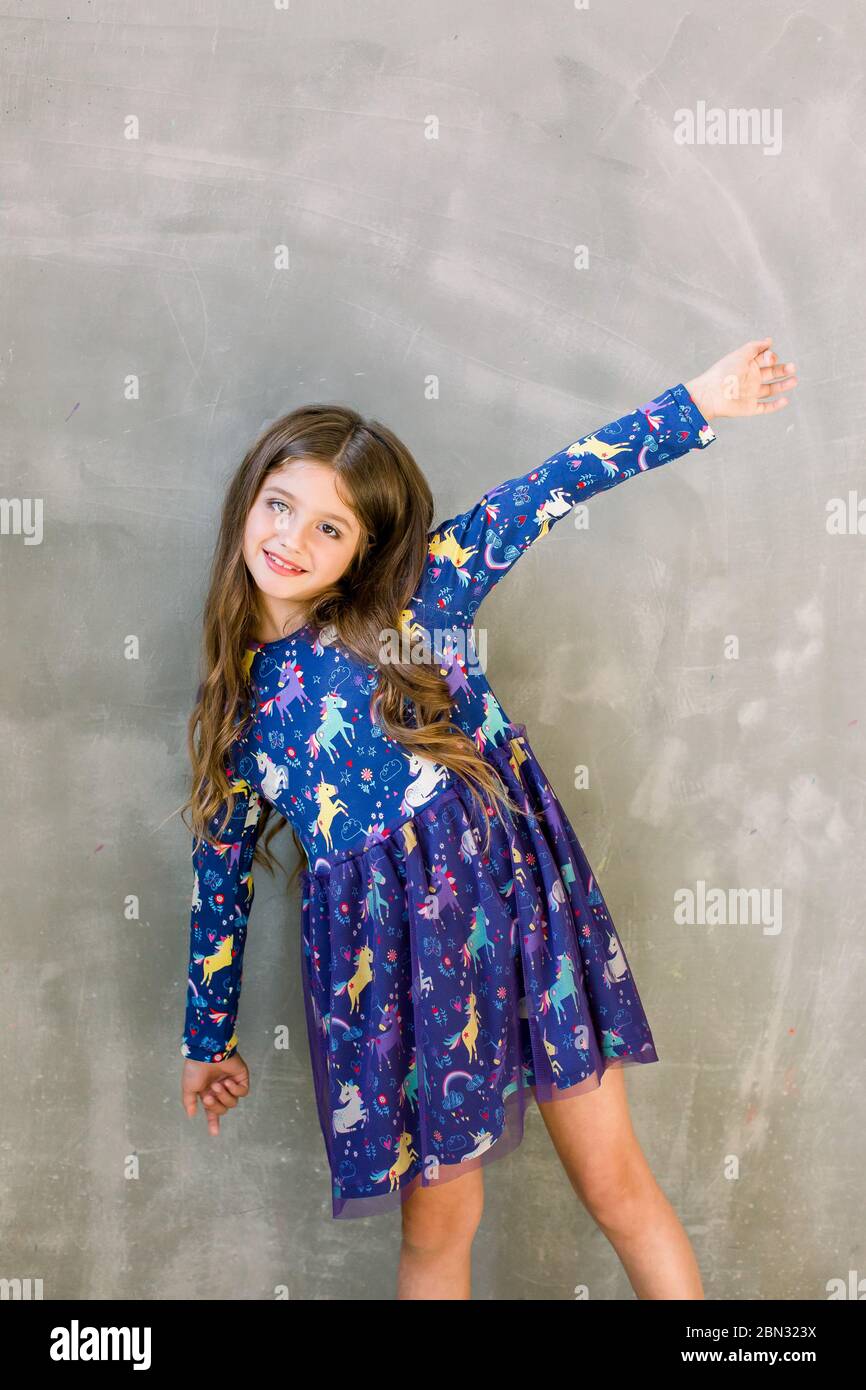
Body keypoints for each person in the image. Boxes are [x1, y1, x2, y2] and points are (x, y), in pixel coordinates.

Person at [178, 339, 797, 1299]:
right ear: (250, 501)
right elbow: (219, 883)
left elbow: (544, 489)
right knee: (437, 1235)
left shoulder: (415, 604)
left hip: (523, 929)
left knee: (615, 1182)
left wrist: (698, 403)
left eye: (331, 529)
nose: (294, 539)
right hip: (399, 986)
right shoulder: (240, 715)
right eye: (281, 505)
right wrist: (205, 1041)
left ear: (367, 552)